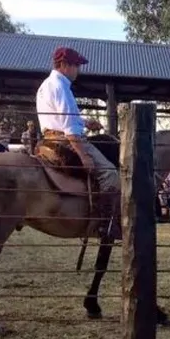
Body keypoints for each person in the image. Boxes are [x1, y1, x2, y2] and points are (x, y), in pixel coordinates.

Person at [35, 46, 121, 238]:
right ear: (64, 65)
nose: (78, 70)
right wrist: (83, 155)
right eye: (76, 65)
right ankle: (106, 225)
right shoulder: (61, 86)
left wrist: (85, 121)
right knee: (111, 175)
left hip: (48, 138)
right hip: (65, 140)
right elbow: (70, 129)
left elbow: (61, 117)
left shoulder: (45, 85)